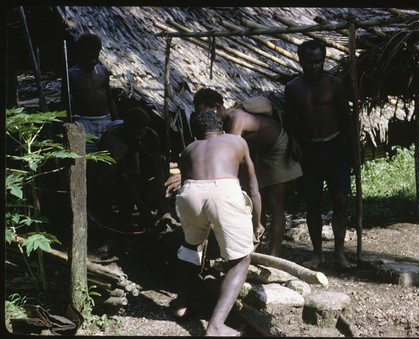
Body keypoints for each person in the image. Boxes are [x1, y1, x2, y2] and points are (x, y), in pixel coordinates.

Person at [174, 110, 264, 336]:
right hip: (223, 192)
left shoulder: (188, 150)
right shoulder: (237, 141)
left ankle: (182, 304)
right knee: (241, 259)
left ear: (196, 134)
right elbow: (253, 188)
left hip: (189, 193)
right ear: (221, 129)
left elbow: (185, 182)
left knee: (190, 246)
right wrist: (257, 222)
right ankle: (215, 326)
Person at [187, 88, 302, 257]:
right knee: (255, 202)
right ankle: (257, 248)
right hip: (255, 154)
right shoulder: (220, 126)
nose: (204, 118)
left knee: (274, 203)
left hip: (276, 148)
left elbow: (229, 153)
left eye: (206, 113)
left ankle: (274, 253)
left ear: (218, 107)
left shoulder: (235, 119)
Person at [284, 39, 358, 269]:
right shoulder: (293, 88)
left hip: (336, 148)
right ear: (301, 61)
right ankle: (317, 254)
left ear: (323, 60)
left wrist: (355, 153)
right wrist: (294, 141)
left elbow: (347, 120)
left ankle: (339, 253)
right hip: (308, 151)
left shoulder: (335, 85)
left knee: (341, 199)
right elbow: (288, 118)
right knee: (312, 202)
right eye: (310, 62)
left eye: (319, 62)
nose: (315, 66)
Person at [88, 107, 166, 232]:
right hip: (110, 166)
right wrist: (141, 208)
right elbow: (124, 176)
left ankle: (126, 220)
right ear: (126, 128)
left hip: (133, 157)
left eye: (141, 132)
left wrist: (161, 193)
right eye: (134, 133)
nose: (138, 137)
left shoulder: (152, 136)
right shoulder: (114, 137)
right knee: (109, 188)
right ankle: (112, 225)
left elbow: (158, 169)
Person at [62, 33, 118, 153]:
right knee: (86, 160)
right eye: (90, 56)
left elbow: (110, 99)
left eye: (96, 55)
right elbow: (65, 103)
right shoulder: (71, 74)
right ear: (81, 53)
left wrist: (116, 122)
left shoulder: (103, 71)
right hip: (83, 123)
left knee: (106, 160)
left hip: (105, 122)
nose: (93, 60)